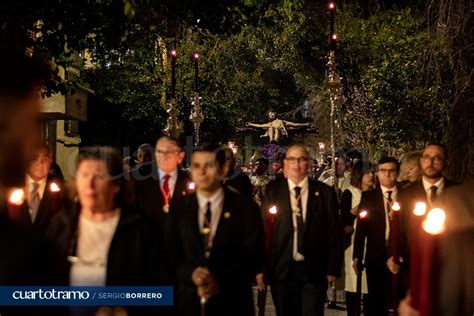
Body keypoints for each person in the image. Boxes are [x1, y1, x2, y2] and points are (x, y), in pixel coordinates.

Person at [46, 147, 166, 315]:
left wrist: (126, 310)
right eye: (84, 175)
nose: (90, 184)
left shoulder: (140, 228)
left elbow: (160, 289)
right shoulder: (63, 223)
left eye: (99, 177)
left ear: (116, 185)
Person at [168, 144, 264, 316]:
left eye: (209, 166)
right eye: (196, 166)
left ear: (222, 169)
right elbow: (169, 252)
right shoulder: (179, 208)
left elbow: (254, 254)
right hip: (189, 300)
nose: (202, 172)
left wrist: (220, 278)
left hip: (232, 300)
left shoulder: (245, 208)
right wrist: (191, 273)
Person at [259, 144, 343, 316]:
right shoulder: (274, 191)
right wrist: (260, 268)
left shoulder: (324, 193)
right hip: (282, 270)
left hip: (314, 269)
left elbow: (334, 231)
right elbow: (263, 230)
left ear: (310, 164)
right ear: (284, 164)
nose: (296, 165)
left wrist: (333, 267)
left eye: (302, 159)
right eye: (292, 160)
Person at [394, 143, 459, 276]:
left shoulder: (458, 192)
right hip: (415, 265)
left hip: (450, 267)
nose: (430, 162)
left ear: (446, 161)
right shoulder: (406, 194)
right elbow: (399, 228)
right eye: (427, 157)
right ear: (422, 160)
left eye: (436, 158)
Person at [352, 156, 402, 316]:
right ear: (378, 173)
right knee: (376, 302)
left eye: (391, 171)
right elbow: (361, 229)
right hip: (375, 257)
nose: (387, 175)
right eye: (383, 171)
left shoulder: (406, 195)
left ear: (397, 173)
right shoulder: (369, 197)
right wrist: (357, 257)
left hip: (400, 256)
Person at [340, 161, 376, 316]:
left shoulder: (377, 193)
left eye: (373, 173)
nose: (372, 176)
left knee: (371, 288)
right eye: (368, 173)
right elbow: (344, 218)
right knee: (353, 285)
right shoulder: (350, 192)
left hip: (372, 244)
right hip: (353, 244)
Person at [134, 136, 191, 232]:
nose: (163, 156)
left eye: (169, 152)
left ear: (180, 156)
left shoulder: (188, 181)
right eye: (160, 152)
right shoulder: (139, 181)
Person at [20, 143, 66, 233]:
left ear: (51, 160)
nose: (40, 162)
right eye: (35, 158)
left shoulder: (60, 188)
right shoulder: (13, 185)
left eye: (45, 158)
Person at [247, 110, 311, 142]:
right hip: (273, 134)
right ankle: (272, 140)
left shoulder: (282, 121)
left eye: (272, 113)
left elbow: (294, 124)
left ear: (275, 113)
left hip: (281, 134)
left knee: (277, 129)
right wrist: (250, 124)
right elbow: (259, 125)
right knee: (271, 128)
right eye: (269, 114)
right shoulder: (270, 123)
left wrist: (305, 124)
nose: (271, 115)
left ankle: (276, 140)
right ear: (269, 117)